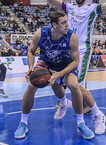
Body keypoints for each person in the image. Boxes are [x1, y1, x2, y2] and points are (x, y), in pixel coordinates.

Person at [14, 12, 95, 140]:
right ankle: (23, 123)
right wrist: (30, 68)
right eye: (63, 23)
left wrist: (59, 74)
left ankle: (81, 123)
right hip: (46, 62)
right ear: (54, 24)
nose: (67, 25)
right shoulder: (41, 34)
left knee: (74, 86)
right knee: (31, 86)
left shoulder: (71, 37)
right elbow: (31, 51)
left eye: (67, 21)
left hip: (65, 63)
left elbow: (75, 61)